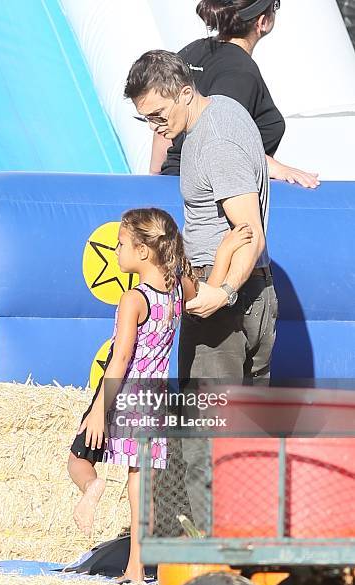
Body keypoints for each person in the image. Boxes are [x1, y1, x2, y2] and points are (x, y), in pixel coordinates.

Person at [124, 49, 278, 529]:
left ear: (185, 92)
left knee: (205, 442)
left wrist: (222, 292)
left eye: (158, 115)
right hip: (252, 295)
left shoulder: (214, 141)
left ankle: (209, 565)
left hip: (226, 306)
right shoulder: (226, 111)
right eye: (144, 118)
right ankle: (246, 554)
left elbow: (248, 230)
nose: (154, 127)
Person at [68, 207, 253, 581]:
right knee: (143, 483)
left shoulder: (134, 299)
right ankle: (136, 566)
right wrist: (225, 251)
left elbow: (119, 360)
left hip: (126, 397)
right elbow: (207, 294)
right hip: (154, 401)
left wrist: (99, 411)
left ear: (142, 252)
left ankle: (91, 487)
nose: (116, 251)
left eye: (120, 245)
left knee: (78, 459)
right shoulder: (174, 289)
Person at [149, 0, 320, 189]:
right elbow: (218, 139)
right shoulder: (241, 72)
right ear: (262, 22)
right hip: (213, 195)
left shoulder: (192, 51)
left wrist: (156, 181)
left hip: (175, 181)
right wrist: (278, 169)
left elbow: (162, 120)